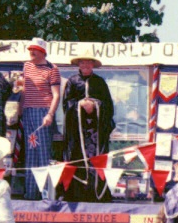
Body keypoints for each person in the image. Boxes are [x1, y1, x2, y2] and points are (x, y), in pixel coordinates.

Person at [62, 53, 115, 202]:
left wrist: (95, 105)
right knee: (77, 159)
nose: (85, 66)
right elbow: (66, 104)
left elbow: (108, 105)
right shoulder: (72, 81)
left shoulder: (100, 82)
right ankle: (76, 194)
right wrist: (79, 105)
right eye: (82, 63)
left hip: (96, 132)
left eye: (88, 63)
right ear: (79, 65)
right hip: (77, 132)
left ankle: (97, 193)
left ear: (93, 65)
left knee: (97, 159)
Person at [21, 38, 61, 200]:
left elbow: (56, 95)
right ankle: (30, 193)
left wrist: (50, 114)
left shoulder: (52, 69)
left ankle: (45, 194)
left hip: (43, 111)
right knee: (31, 152)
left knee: (43, 153)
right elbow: (24, 89)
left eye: (35, 49)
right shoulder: (27, 66)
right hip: (28, 111)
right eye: (30, 49)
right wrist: (19, 110)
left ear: (42, 52)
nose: (31, 52)